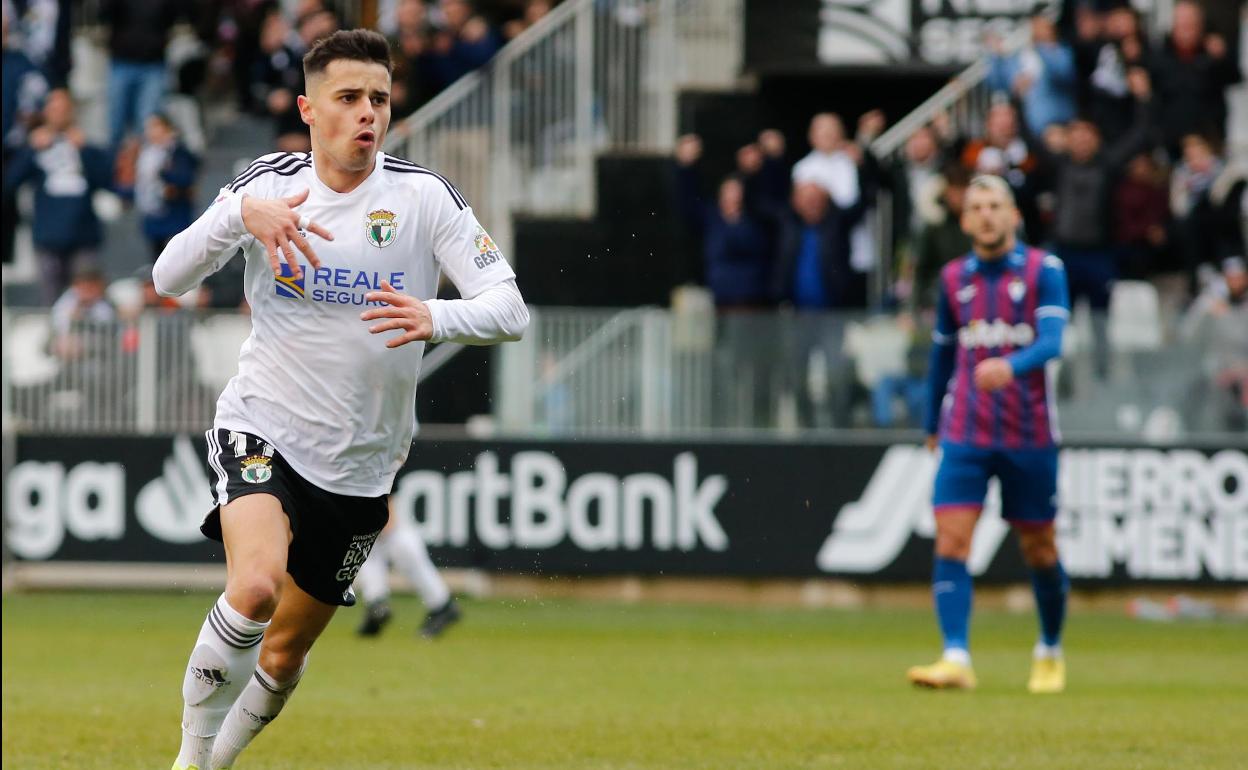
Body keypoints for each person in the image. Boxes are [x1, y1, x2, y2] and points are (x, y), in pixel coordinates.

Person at [152, 29, 528, 770]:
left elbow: (509, 308)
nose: (368, 114)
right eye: (349, 98)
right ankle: (192, 760)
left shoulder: (423, 198)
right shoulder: (265, 184)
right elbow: (167, 277)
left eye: (379, 99)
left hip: (361, 466)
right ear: (309, 109)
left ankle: (214, 764)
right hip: (264, 424)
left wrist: (437, 315)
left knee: (286, 651)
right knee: (255, 586)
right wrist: (236, 217)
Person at [909, 175, 1071, 694]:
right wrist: (932, 422)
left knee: (1039, 548)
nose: (985, 215)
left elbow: (1052, 342)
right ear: (963, 219)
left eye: (995, 205)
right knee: (952, 539)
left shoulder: (1044, 270)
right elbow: (941, 356)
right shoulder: (954, 277)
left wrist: (1011, 364)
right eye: (976, 206)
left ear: (1014, 214)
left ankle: (1049, 649)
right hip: (966, 432)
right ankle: (955, 656)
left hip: (1029, 433)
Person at [3, 88, 112, 304]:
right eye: (54, 109)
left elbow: (107, 182)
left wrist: (85, 150)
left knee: (87, 300)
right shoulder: (36, 144)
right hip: (48, 235)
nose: (59, 114)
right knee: (51, 303)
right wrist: (30, 150)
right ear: (45, 112)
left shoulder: (84, 144)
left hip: (83, 234)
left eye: (64, 109)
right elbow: (10, 182)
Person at [353, 500, 463, 639]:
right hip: (376, 511)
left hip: (387, 514)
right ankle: (376, 605)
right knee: (374, 546)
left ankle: (442, 606)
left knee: (392, 546)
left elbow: (389, 495)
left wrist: (385, 520)